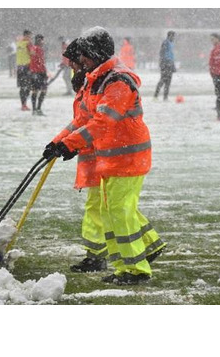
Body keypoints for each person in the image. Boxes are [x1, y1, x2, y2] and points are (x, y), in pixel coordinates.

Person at [43, 27, 165, 285]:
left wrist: (71, 145)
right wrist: (58, 142)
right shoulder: (98, 78)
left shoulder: (117, 81)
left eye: (84, 56)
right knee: (112, 212)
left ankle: (136, 269)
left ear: (96, 54)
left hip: (128, 158)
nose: (81, 62)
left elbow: (103, 122)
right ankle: (125, 266)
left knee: (119, 212)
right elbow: (83, 119)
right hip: (111, 159)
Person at [154, 31, 176, 100]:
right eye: (173, 36)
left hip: (170, 64)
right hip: (165, 64)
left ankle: (165, 97)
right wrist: (163, 64)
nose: (174, 38)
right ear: (169, 36)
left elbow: (171, 55)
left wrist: (173, 65)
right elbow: (162, 54)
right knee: (163, 80)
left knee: (168, 81)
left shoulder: (171, 43)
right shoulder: (165, 43)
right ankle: (155, 96)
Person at [29, 34, 48, 116]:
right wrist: (44, 72)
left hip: (33, 72)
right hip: (39, 72)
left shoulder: (32, 48)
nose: (43, 42)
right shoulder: (39, 49)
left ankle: (34, 110)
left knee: (34, 91)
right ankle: (38, 108)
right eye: (42, 40)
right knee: (43, 90)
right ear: (40, 40)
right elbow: (41, 62)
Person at [16, 30, 33, 110]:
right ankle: (24, 104)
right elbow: (32, 54)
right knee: (28, 86)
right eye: (29, 36)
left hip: (19, 67)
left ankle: (23, 104)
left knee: (22, 87)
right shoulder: (28, 43)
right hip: (27, 67)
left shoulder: (19, 43)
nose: (30, 38)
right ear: (26, 36)